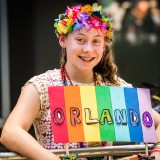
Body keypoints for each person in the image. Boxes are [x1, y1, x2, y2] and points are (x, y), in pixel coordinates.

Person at [0, 2, 160, 160]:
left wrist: (157, 152)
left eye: (96, 41)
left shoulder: (113, 86)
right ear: (62, 40)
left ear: (104, 45)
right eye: (80, 40)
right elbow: (10, 132)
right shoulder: (42, 86)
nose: (88, 49)